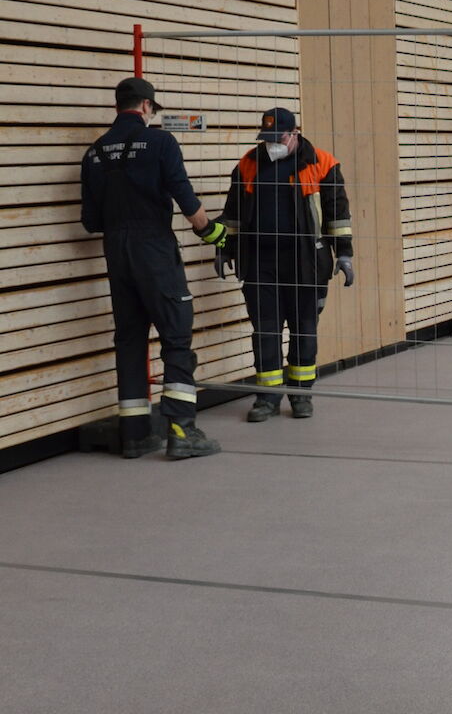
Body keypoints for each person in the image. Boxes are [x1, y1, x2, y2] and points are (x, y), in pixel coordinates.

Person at [80, 76, 226, 460]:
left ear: (119, 106)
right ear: (146, 106)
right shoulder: (161, 142)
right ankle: (182, 430)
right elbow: (184, 195)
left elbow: (90, 221)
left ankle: (134, 435)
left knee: (129, 340)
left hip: (116, 251)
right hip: (154, 250)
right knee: (176, 336)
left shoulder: (94, 152)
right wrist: (213, 233)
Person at [217, 108, 353, 421]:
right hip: (260, 262)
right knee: (265, 331)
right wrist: (225, 248)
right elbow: (233, 213)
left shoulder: (321, 163)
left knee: (305, 330)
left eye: (277, 137)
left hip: (306, 262)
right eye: (266, 138)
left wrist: (344, 253)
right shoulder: (248, 164)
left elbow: (338, 214)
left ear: (294, 134)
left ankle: (301, 395)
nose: (271, 144)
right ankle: (267, 398)